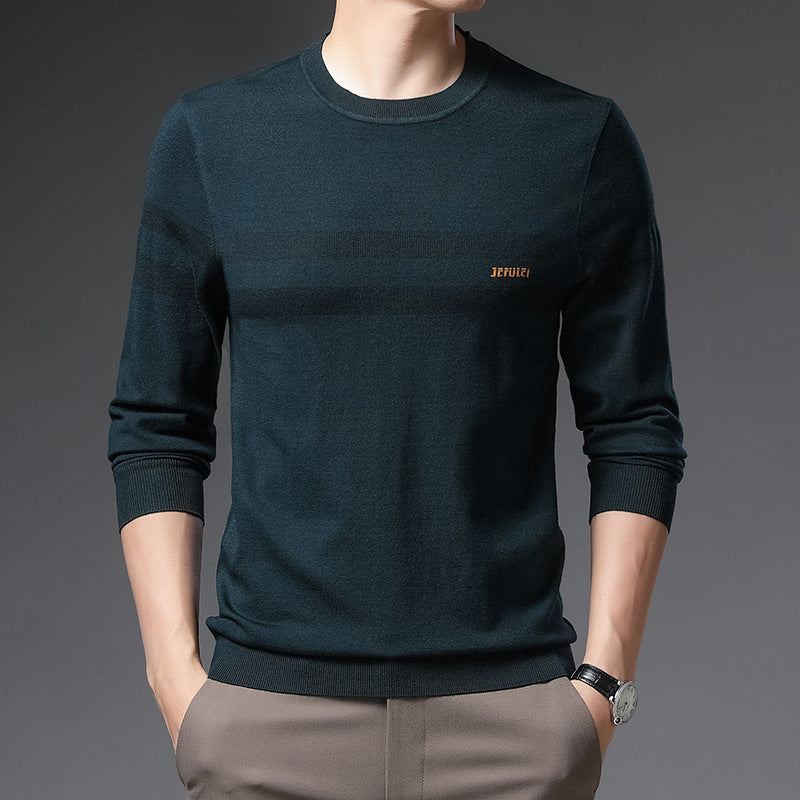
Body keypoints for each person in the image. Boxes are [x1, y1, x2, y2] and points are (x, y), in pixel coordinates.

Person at [107, 2, 687, 798]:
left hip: (512, 733)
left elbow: (634, 425)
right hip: (266, 727)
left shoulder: (575, 141)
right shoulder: (213, 138)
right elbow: (156, 423)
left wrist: (602, 689)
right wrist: (174, 680)